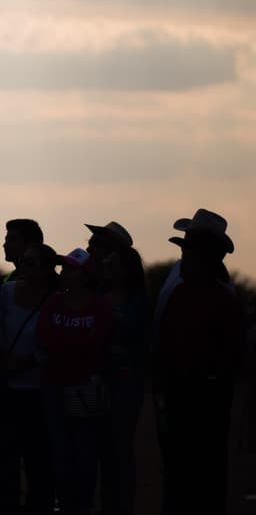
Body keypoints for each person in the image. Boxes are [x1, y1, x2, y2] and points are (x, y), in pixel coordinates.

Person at [154, 209, 242, 515]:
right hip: (188, 394)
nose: (184, 257)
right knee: (190, 471)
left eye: (189, 250)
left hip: (203, 396)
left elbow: (228, 356)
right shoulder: (188, 293)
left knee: (199, 471)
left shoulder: (215, 299)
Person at [35, 248, 113, 515]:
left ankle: (82, 506)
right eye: (63, 268)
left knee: (85, 455)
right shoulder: (53, 304)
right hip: (55, 387)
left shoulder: (99, 307)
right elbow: (44, 339)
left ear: (85, 276)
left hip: (85, 391)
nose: (63, 274)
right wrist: (74, 346)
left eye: (70, 269)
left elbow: (96, 345)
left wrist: (65, 346)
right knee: (61, 453)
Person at [0, 243, 56, 515]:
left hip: (38, 393)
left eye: (29, 263)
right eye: (22, 262)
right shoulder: (6, 292)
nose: (22, 267)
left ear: (45, 269)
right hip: (6, 390)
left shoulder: (54, 300)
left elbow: (53, 344)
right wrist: (2, 363)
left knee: (38, 463)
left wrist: (28, 362)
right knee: (5, 464)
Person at [88, 223, 145, 515]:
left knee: (118, 449)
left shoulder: (134, 302)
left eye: (98, 246)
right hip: (101, 380)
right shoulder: (94, 290)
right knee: (103, 451)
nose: (90, 251)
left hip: (123, 382)